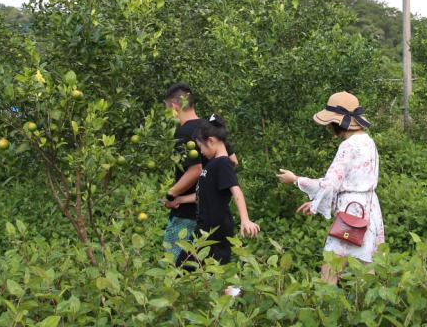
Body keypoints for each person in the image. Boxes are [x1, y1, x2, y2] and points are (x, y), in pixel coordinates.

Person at [276, 91, 384, 284]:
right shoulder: (368, 141)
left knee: (331, 266)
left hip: (351, 211)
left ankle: (324, 305)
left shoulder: (348, 146)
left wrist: (296, 180)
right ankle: (370, 308)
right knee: (367, 266)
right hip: (370, 209)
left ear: (337, 122)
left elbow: (330, 182)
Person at [167, 115, 258, 266]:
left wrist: (245, 219)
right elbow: (203, 195)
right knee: (207, 271)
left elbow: (236, 190)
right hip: (205, 227)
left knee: (185, 267)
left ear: (211, 141)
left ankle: (236, 290)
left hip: (216, 228)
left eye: (201, 147)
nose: (201, 152)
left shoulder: (223, 163)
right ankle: (234, 289)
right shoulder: (212, 165)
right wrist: (179, 200)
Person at [160, 83, 236, 259]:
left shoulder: (183, 132)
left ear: (173, 106)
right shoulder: (209, 129)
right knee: (211, 268)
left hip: (187, 213)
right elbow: (232, 161)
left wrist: (171, 195)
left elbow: (195, 170)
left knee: (175, 266)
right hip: (214, 215)